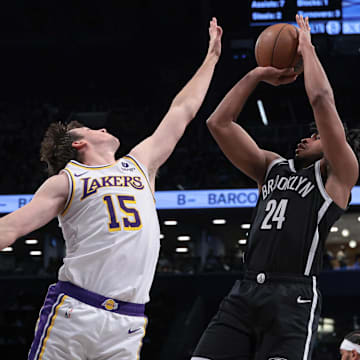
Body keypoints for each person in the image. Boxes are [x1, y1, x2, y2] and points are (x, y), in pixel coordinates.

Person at [0, 18, 222, 360]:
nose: (104, 127)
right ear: (77, 144)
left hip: (128, 321)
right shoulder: (67, 180)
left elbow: (182, 110)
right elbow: (11, 227)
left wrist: (211, 59)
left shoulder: (139, 163)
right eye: (93, 128)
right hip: (76, 311)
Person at [192, 15, 360, 360]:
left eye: (316, 136)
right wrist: (256, 75)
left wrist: (307, 49)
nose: (307, 136)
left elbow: (321, 100)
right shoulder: (271, 166)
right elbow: (218, 123)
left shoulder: (338, 175)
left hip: (293, 296)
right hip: (245, 289)